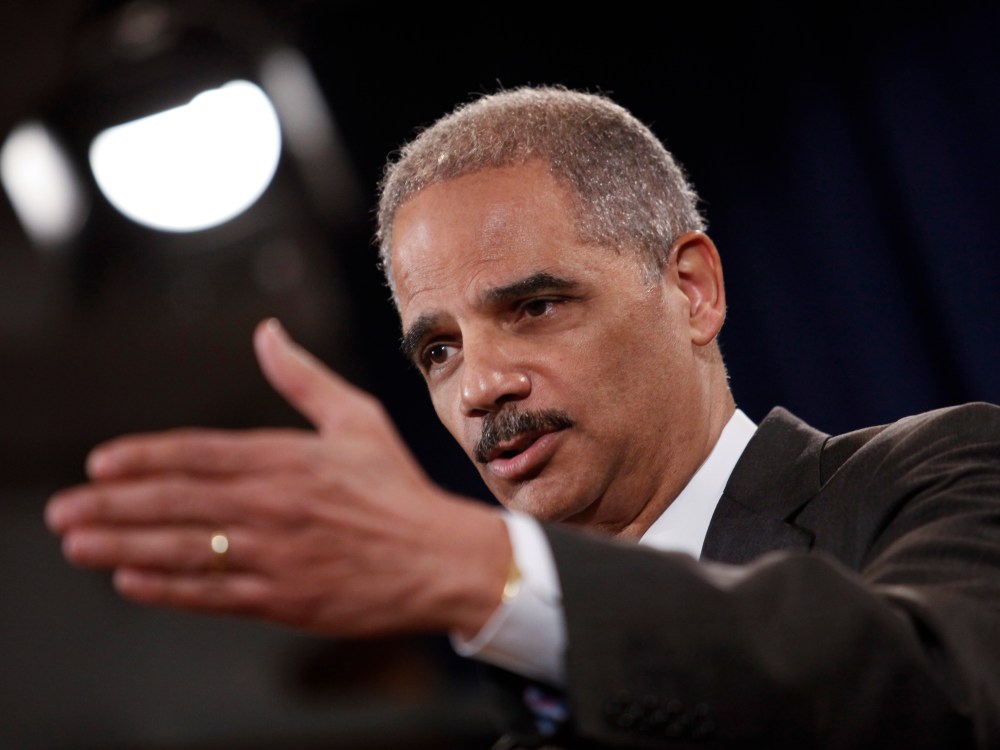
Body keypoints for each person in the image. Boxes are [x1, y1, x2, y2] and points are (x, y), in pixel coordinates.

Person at [45, 86, 1000, 749]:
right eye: (439, 350)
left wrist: (478, 565)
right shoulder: (543, 719)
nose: (479, 389)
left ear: (693, 290)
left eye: (533, 307)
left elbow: (934, 703)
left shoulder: (944, 473)